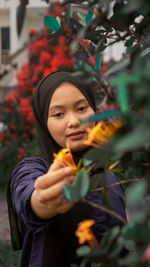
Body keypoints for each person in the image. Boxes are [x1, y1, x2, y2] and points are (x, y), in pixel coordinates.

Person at [7, 71, 127, 267]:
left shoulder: (112, 171)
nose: (74, 121)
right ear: (43, 123)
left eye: (81, 108)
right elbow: (31, 193)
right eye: (58, 114)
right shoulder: (33, 169)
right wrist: (45, 200)